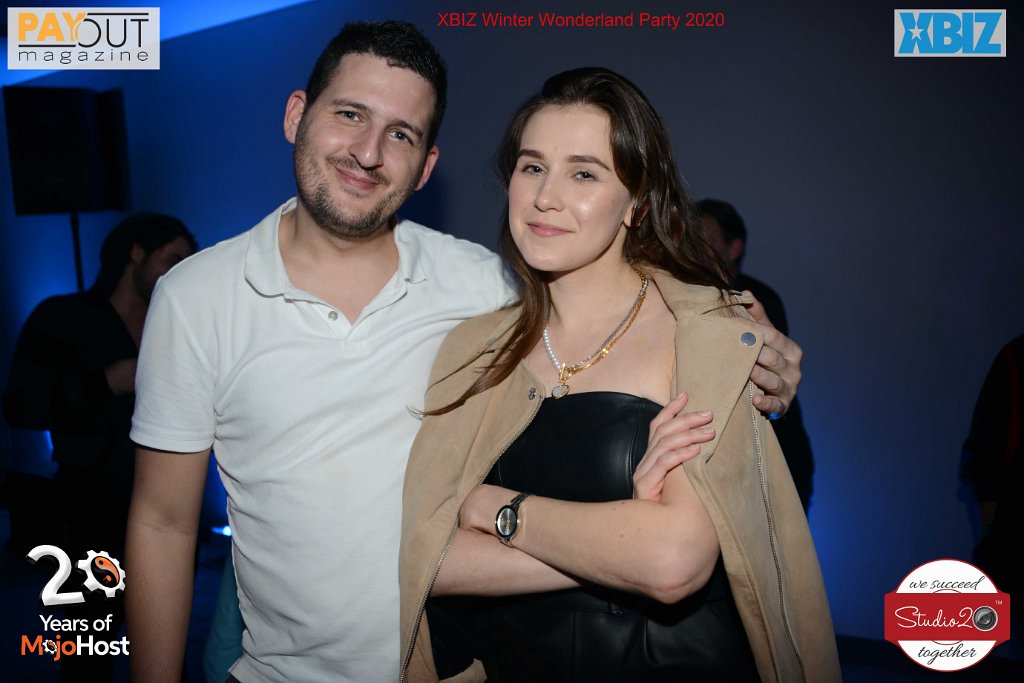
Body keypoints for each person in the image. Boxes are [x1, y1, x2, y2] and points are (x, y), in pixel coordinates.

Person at [125, 22, 806, 683]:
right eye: (350, 114)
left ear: (426, 166)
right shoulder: (197, 297)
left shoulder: (482, 287)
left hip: (455, 660)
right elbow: (164, 523)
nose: (368, 152)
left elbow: (614, 297)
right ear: (296, 114)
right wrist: (619, 540)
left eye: (401, 134)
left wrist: (746, 349)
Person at [400, 68, 840, 682]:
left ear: (637, 202)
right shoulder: (473, 350)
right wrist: (621, 543)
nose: (545, 196)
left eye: (584, 173)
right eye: (532, 167)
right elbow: (430, 563)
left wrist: (494, 508)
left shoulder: (702, 332)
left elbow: (673, 562)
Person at [2, 213, 196, 682]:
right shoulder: (62, 317)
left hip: (172, 514)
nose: (179, 274)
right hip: (89, 513)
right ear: (136, 253)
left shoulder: (181, 324)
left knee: (166, 650)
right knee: (87, 650)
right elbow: (21, 407)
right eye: (171, 260)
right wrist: (103, 383)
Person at [696, 198, 815, 510]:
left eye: (705, 238)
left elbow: (765, 388)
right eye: (688, 237)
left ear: (734, 248)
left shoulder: (756, 300)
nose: (694, 246)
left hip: (776, 459)